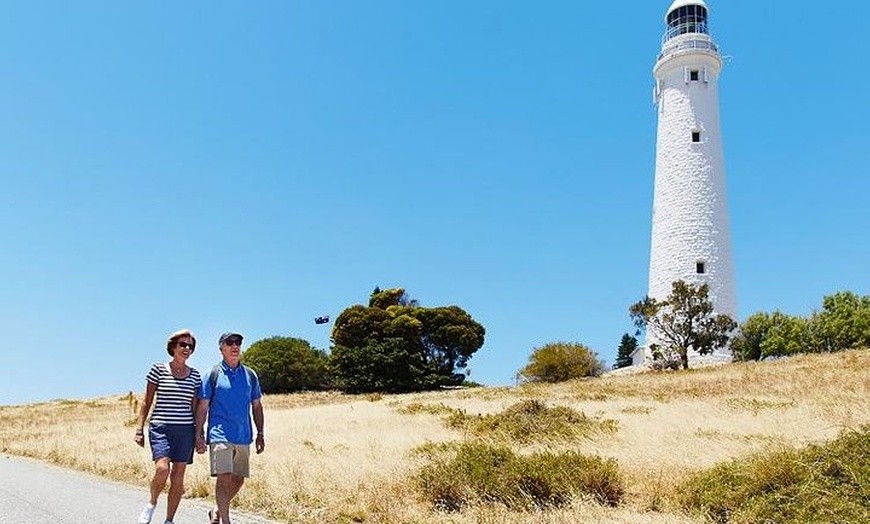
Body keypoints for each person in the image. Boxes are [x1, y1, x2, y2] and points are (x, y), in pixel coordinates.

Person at [195, 332, 265, 524]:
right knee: (224, 477)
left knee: (238, 479)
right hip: (219, 434)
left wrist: (260, 433)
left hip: (243, 435)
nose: (235, 346)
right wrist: (198, 434)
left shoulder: (250, 375)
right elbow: (202, 406)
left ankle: (217, 510)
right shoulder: (213, 374)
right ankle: (225, 521)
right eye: (230, 342)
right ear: (221, 348)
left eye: (238, 342)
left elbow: (257, 405)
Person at [134, 329, 203, 524]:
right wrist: (139, 429)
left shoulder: (195, 376)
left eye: (190, 346)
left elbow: (196, 407)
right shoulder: (158, 369)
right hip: (161, 427)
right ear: (173, 347)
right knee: (162, 469)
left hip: (185, 430)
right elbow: (146, 402)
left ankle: (169, 520)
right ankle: (152, 503)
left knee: (178, 475)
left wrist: (199, 434)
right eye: (183, 344)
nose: (187, 348)